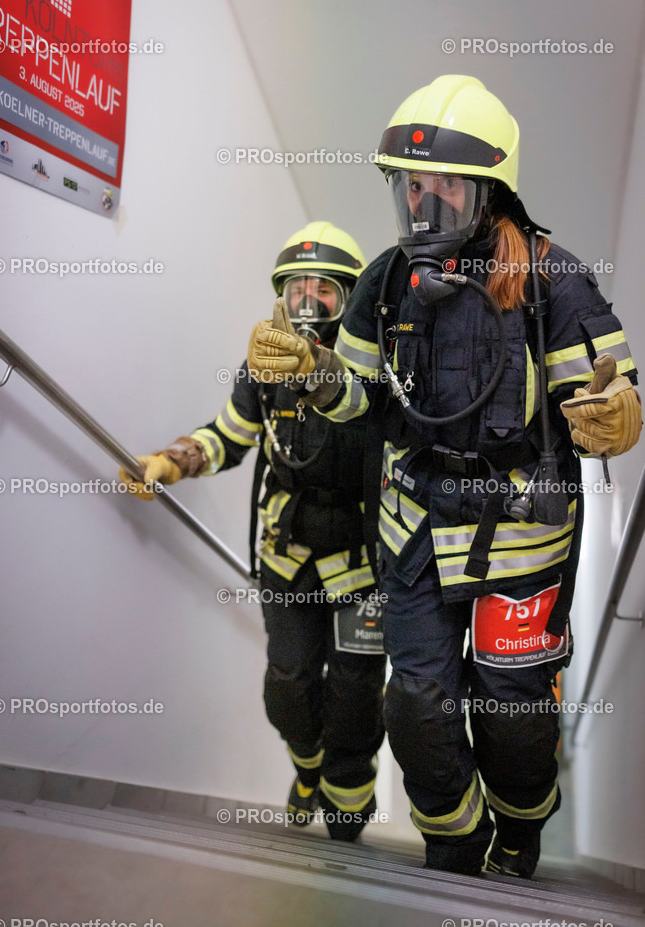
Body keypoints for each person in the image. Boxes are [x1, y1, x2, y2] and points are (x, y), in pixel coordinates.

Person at [247, 76, 641, 877]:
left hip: (520, 534)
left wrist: (615, 414)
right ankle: (452, 848)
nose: (424, 207)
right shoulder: (385, 283)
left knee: (511, 710)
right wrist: (316, 373)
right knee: (413, 706)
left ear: (489, 191)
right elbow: (356, 399)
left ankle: (521, 830)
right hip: (414, 528)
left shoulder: (551, 281)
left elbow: (599, 392)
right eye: (409, 186)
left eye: (445, 188)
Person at [120, 222, 387, 842]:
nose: (308, 302)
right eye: (297, 287)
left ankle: (349, 806)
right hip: (287, 553)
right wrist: (172, 460)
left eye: (325, 288)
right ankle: (307, 765)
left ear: (350, 297)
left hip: (362, 561)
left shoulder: (375, 367)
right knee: (289, 683)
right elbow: (228, 436)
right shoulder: (262, 366)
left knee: (355, 692)